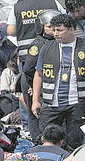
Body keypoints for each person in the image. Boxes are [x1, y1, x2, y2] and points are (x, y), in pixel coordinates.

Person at [32, 14, 85, 151]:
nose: (56, 34)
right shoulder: (47, 47)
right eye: (54, 30)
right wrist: (35, 100)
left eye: (60, 30)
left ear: (72, 29)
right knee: (46, 139)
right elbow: (38, 74)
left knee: (75, 142)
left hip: (77, 103)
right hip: (51, 103)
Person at [23, 9, 61, 142]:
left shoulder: (57, 43)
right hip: (32, 83)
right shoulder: (38, 44)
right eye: (49, 27)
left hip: (47, 85)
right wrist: (33, 88)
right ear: (41, 27)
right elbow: (28, 69)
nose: (53, 30)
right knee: (36, 114)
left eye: (55, 27)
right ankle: (37, 141)